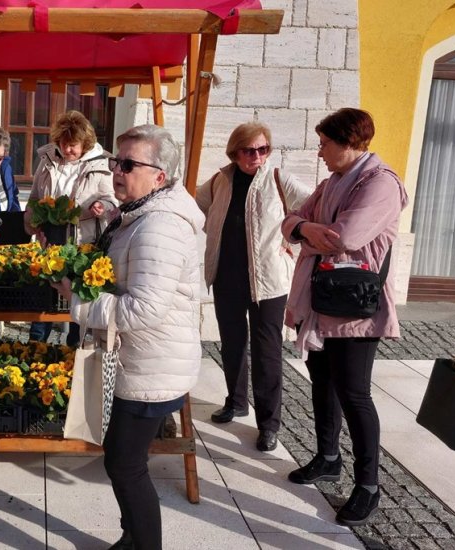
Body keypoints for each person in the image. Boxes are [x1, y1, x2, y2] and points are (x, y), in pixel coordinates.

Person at [55, 125, 204, 550]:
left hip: (150, 368)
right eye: (116, 162)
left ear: (160, 176)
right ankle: (131, 537)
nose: (117, 171)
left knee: (126, 465)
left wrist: (79, 301)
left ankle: (143, 543)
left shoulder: (159, 226)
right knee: (122, 460)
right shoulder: (139, 212)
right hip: (139, 363)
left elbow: (144, 309)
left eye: (129, 164)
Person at [282, 108, 408, 526]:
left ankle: (368, 486)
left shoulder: (380, 184)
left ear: (347, 142)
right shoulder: (334, 181)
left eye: (324, 143)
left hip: (355, 304)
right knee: (322, 381)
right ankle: (328, 457)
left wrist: (310, 231)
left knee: (354, 393)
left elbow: (347, 237)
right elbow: (291, 220)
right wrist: (306, 229)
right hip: (323, 298)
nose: (319, 152)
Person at [196, 122, 311, 452]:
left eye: (263, 149)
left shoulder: (278, 179)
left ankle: (268, 424)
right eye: (249, 150)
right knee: (232, 344)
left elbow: (313, 208)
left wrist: (295, 241)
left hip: (269, 282)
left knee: (267, 353)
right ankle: (236, 401)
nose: (257, 156)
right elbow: (194, 207)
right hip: (227, 277)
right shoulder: (221, 180)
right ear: (235, 152)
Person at [25, 110, 117, 345]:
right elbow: (35, 196)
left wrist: (102, 205)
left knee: (78, 294)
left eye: (73, 145)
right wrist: (33, 219)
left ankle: (75, 348)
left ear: (85, 143)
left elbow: (112, 198)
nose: (68, 150)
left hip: (82, 242)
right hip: (51, 238)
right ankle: (37, 345)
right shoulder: (47, 160)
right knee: (46, 293)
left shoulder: (102, 163)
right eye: (64, 144)